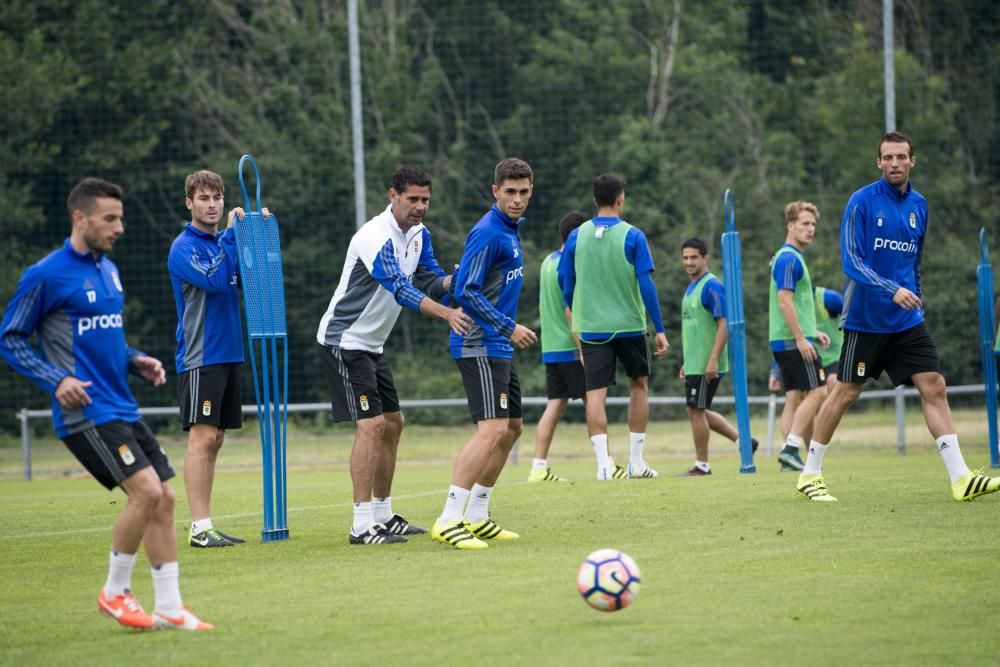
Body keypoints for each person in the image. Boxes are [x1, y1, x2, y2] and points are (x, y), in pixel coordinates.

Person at [0, 178, 211, 630]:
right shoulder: (46, 274)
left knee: (166, 498)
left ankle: (171, 608)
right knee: (148, 492)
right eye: (109, 218)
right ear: (81, 219)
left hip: (122, 405)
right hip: (86, 412)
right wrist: (57, 380)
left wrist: (136, 360)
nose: (119, 227)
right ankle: (114, 592)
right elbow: (10, 338)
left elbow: (105, 338)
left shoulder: (108, 269)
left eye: (120, 217)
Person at [802, 131, 1000, 502]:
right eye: (888, 158)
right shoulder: (861, 202)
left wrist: (916, 295)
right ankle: (810, 474)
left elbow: (914, 262)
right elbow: (852, 262)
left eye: (901, 157)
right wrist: (892, 289)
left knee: (934, 384)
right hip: (866, 320)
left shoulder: (920, 206)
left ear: (912, 161)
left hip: (908, 321)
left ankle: (961, 478)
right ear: (878, 162)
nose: (894, 163)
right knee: (845, 393)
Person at [317, 167, 472, 545]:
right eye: (413, 199)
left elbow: (430, 279)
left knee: (394, 423)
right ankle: (360, 524)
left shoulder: (420, 236)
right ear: (393, 196)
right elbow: (401, 289)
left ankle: (384, 515)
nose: (420, 207)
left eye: (425, 200)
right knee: (371, 426)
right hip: (344, 340)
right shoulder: (374, 236)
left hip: (372, 345)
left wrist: (459, 280)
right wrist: (447, 312)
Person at [431, 157, 538, 550]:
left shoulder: (511, 231)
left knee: (511, 429)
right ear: (495, 192)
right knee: (492, 429)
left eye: (524, 192)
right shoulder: (489, 232)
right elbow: (466, 291)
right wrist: (508, 326)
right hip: (479, 343)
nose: (517, 199)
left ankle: (477, 515)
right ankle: (448, 518)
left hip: (498, 344)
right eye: (509, 192)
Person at [167, 170, 265, 548]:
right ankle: (198, 527)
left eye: (217, 198)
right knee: (202, 437)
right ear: (189, 203)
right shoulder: (184, 247)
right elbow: (214, 278)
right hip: (200, 355)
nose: (212, 204)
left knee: (216, 438)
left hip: (228, 353)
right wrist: (230, 235)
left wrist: (256, 228)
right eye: (203, 199)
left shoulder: (223, 240)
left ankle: (205, 524)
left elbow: (247, 273)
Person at [558, 173, 669, 481]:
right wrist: (658, 327)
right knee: (639, 386)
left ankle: (603, 464)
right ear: (621, 198)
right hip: (630, 326)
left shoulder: (576, 236)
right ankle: (636, 462)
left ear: (595, 200)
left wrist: (575, 307)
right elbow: (646, 284)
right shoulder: (634, 235)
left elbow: (564, 280)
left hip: (591, 327)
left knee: (595, 393)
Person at [677, 238, 757, 476]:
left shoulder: (712, 286)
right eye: (685, 258)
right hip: (695, 363)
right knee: (696, 410)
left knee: (695, 410)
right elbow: (696, 331)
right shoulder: (691, 287)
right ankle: (744, 441)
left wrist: (712, 359)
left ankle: (702, 465)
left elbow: (724, 323)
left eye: (694, 257)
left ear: (705, 258)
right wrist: (687, 362)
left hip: (706, 364)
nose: (689, 262)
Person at [769, 201, 831, 472]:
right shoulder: (788, 257)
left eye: (813, 224)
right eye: (805, 224)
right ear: (790, 226)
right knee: (819, 392)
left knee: (794, 397)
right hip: (791, 340)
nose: (810, 229)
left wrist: (811, 331)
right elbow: (784, 302)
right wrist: (801, 338)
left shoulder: (792, 257)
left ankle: (788, 460)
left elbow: (795, 303)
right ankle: (791, 448)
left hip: (789, 338)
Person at [529, 210, 589, 482]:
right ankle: (606, 463)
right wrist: (583, 348)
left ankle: (538, 467)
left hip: (551, 347)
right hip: (570, 347)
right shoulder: (570, 265)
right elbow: (569, 311)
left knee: (555, 406)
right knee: (594, 402)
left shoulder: (547, 262)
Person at [767, 285, 844, 446]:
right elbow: (787, 337)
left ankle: (825, 419)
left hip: (834, 358)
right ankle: (799, 451)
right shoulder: (789, 306)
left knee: (830, 383)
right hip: (808, 356)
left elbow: (852, 314)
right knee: (799, 400)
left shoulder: (828, 298)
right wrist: (775, 371)